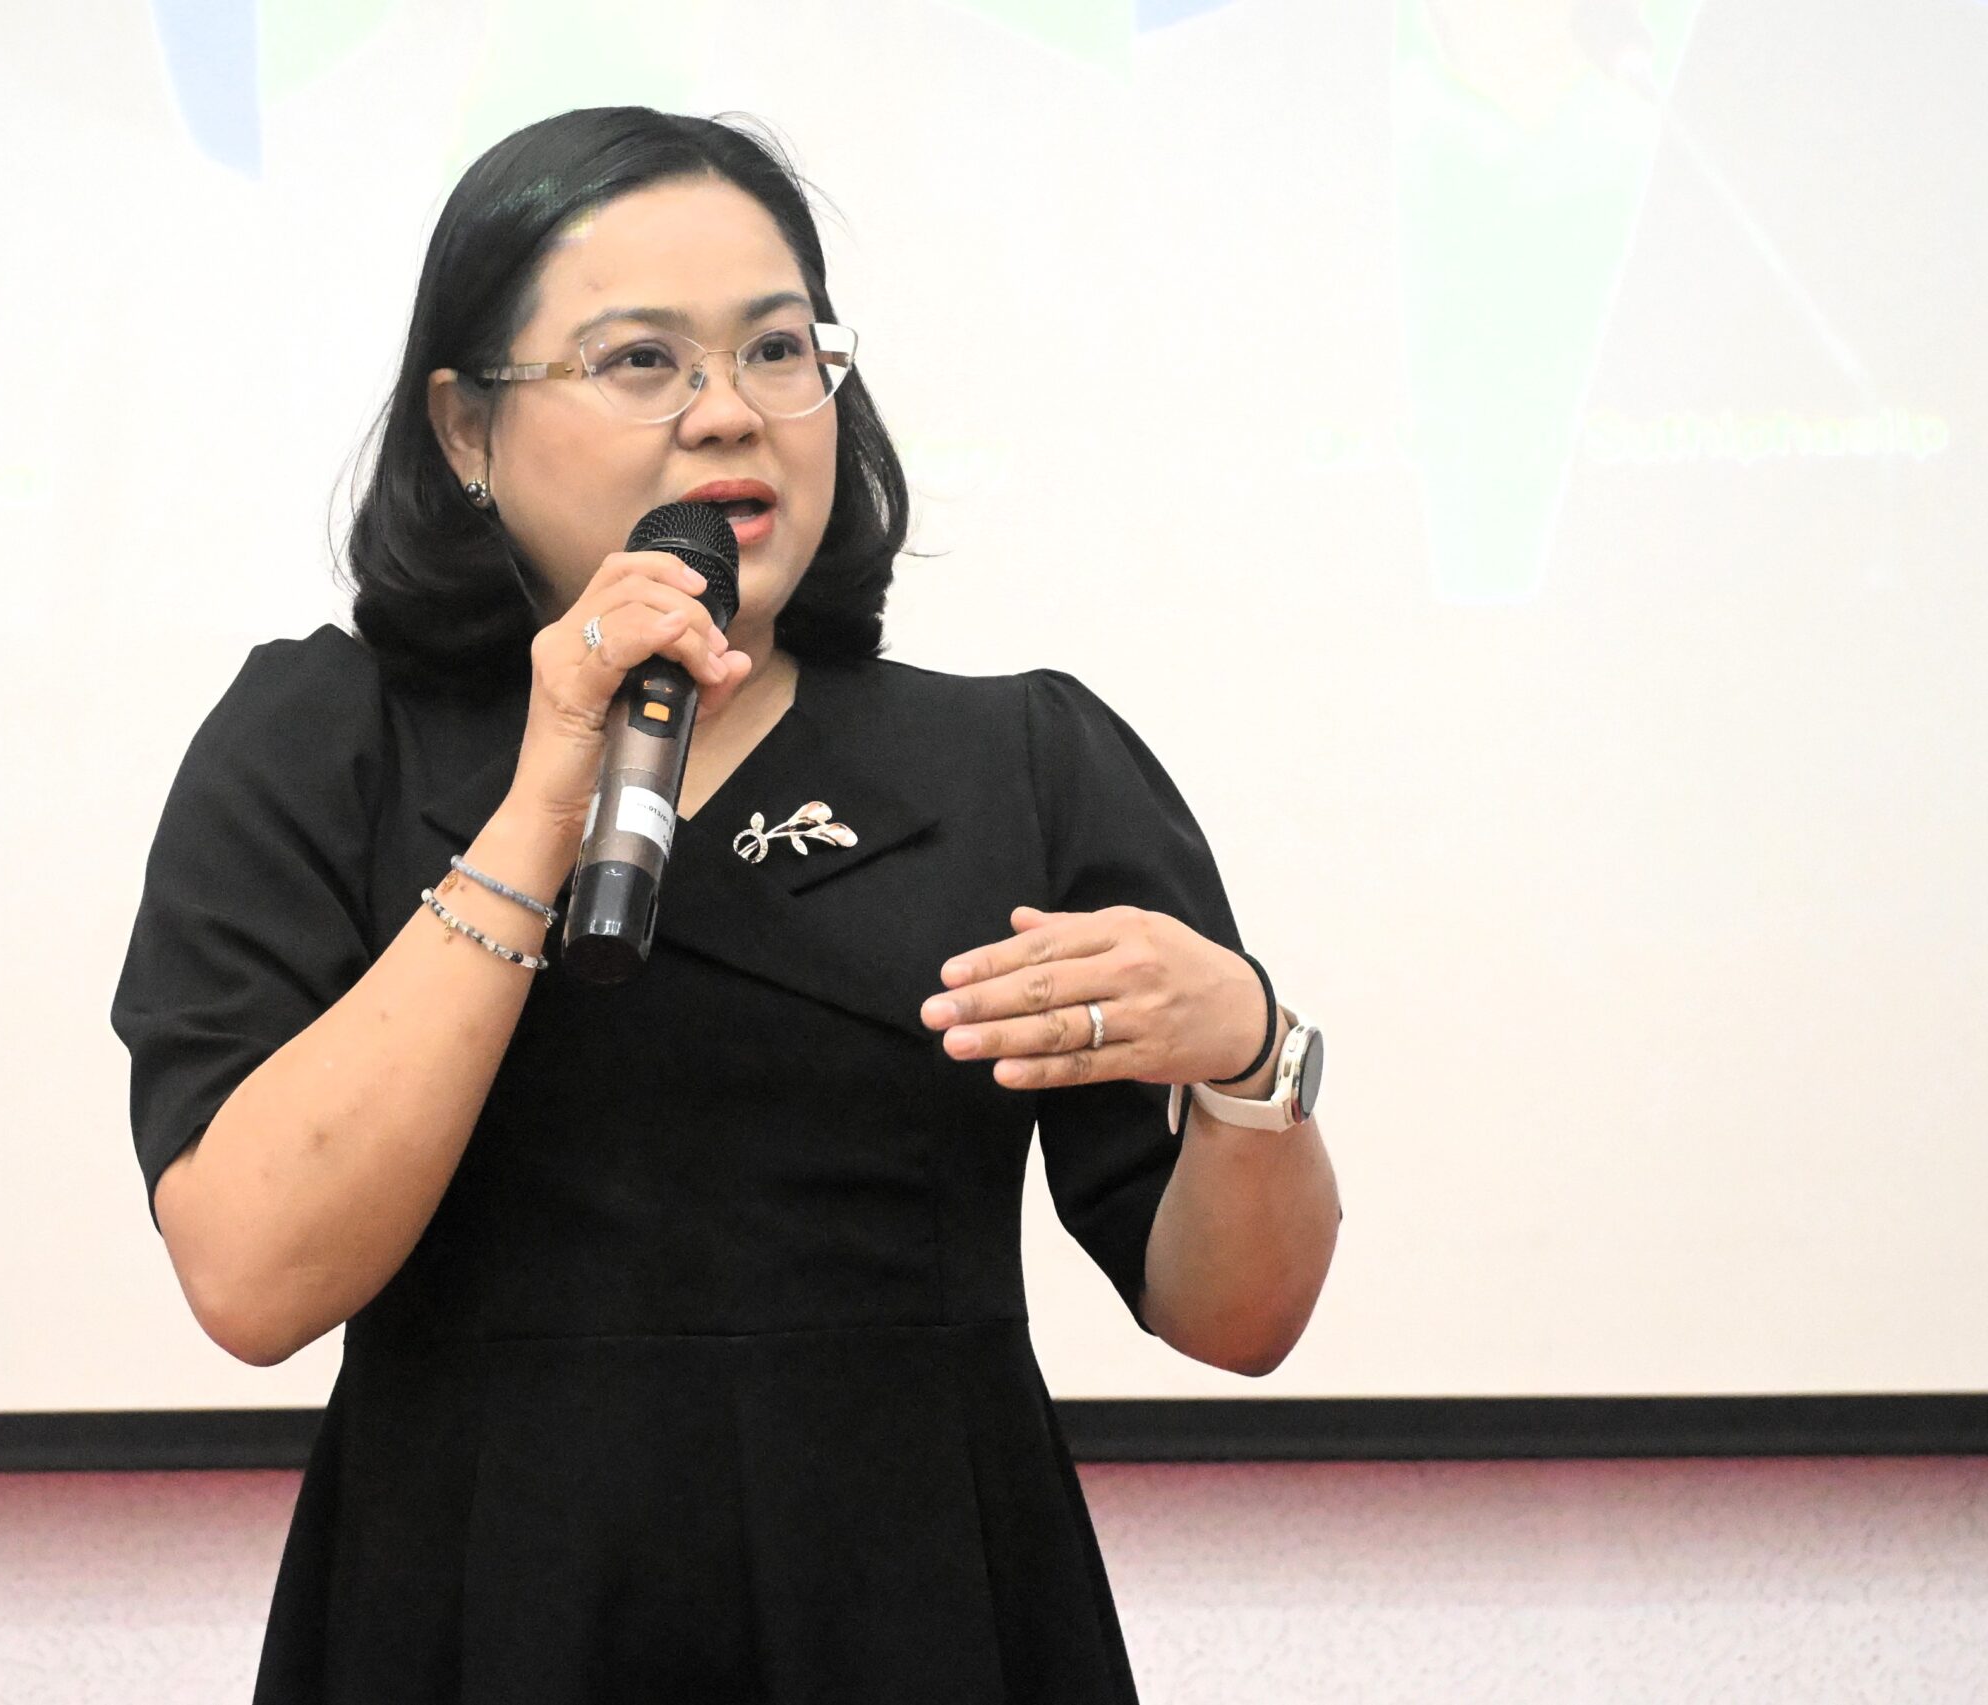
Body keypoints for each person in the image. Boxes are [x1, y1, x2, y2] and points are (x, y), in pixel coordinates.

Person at [110, 106, 1342, 1705]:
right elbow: (252, 1276)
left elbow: (1235, 1316)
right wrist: (547, 792)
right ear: (467, 428)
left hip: (917, 1605)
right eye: (641, 361)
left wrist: (1251, 1056)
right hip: (483, 1602)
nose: (729, 414)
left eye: (778, 350)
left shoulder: (1020, 761)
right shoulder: (321, 743)